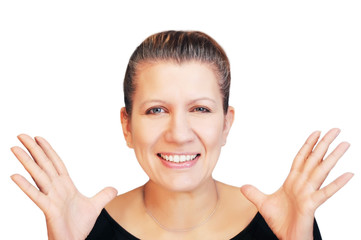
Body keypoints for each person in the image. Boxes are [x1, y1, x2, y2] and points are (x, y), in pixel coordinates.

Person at [10, 31, 353, 240]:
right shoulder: (86, 228)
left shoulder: (281, 224)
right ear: (127, 126)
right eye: (156, 110)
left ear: (226, 125)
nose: (179, 133)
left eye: (200, 109)